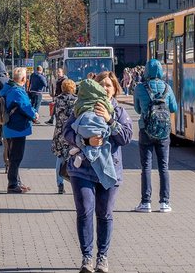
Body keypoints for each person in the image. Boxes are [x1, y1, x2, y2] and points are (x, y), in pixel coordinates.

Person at [64, 71, 133, 273]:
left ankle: (102, 257)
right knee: (85, 211)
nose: (104, 88)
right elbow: (66, 132)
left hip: (109, 171)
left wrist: (110, 120)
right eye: (101, 84)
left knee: (104, 213)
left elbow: (127, 137)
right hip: (82, 169)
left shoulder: (118, 111)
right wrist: (84, 141)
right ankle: (87, 258)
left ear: (115, 89)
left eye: (108, 85)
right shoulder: (81, 107)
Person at [133, 58, 177, 213]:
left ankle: (146, 202)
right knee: (164, 167)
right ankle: (164, 203)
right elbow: (173, 108)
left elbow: (138, 110)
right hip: (164, 132)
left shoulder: (140, 88)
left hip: (145, 130)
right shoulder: (167, 88)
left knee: (146, 167)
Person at [1, 67, 38, 193]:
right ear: (23, 79)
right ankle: (12, 185)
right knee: (16, 157)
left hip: (10, 127)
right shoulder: (18, 91)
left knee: (13, 156)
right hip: (17, 128)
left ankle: (16, 182)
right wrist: (34, 115)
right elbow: (25, 107)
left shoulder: (8, 88)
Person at [51, 78, 78, 194]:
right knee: (75, 158)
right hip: (72, 133)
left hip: (59, 133)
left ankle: (60, 184)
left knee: (60, 158)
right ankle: (75, 183)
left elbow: (54, 115)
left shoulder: (57, 100)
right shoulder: (77, 101)